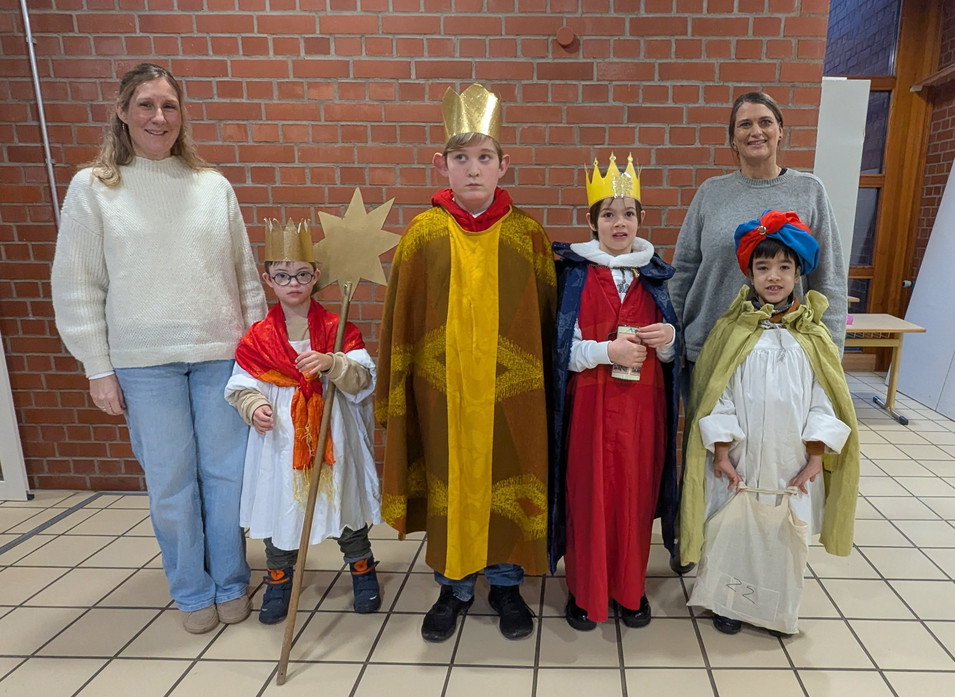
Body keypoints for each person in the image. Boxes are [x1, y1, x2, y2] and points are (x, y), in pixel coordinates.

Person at [51, 63, 266, 634]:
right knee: (171, 483)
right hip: (144, 365)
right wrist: (98, 368)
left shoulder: (211, 186)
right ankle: (192, 593)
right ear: (122, 111)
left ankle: (230, 580)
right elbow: (78, 286)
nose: (158, 117)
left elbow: (244, 276)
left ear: (181, 115)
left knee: (227, 478)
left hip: (221, 354)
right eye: (145, 105)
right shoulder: (94, 188)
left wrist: (258, 357)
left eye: (169, 106)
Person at [375, 83, 556, 643]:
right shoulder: (423, 235)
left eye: (484, 158)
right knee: (447, 476)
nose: (473, 170)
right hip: (442, 396)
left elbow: (549, 324)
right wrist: (393, 393)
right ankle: (452, 587)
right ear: (441, 165)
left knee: (508, 468)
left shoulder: (527, 237)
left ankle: (504, 585)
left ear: (505, 165)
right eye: (461, 158)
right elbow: (397, 325)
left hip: (512, 396)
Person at [679, 210, 860, 635]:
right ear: (750, 274)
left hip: (790, 462)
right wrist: (721, 450)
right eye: (763, 268)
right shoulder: (731, 329)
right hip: (738, 457)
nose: (773, 276)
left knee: (783, 534)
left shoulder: (812, 337)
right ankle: (726, 601)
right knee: (732, 526)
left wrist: (816, 455)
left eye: (783, 267)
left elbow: (824, 400)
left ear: (799, 273)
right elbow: (716, 395)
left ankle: (776, 610)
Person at [224, 222, 382, 624]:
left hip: (333, 435)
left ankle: (361, 568)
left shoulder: (336, 328)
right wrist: (254, 404)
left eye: (300, 274)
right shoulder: (258, 337)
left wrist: (334, 363)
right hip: (280, 441)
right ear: (268, 280)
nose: (292, 283)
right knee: (282, 507)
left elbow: (364, 379)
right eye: (282, 276)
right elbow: (241, 383)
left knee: (342, 501)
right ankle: (279, 578)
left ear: (315, 276)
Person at [550, 154, 681, 631]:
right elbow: (560, 350)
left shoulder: (656, 276)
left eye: (628, 213)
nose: (619, 223)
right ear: (591, 222)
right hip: (589, 404)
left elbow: (671, 357)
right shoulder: (574, 274)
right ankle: (586, 593)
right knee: (588, 497)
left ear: (640, 220)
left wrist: (668, 341)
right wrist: (609, 352)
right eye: (608, 214)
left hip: (641, 410)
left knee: (633, 496)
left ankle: (630, 590)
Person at [670, 91, 848, 371]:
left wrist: (831, 350)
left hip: (787, 352)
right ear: (733, 140)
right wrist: (673, 338)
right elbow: (682, 274)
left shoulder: (809, 191)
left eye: (765, 122)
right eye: (745, 124)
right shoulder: (710, 193)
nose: (756, 131)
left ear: (780, 132)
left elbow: (829, 278)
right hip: (709, 348)